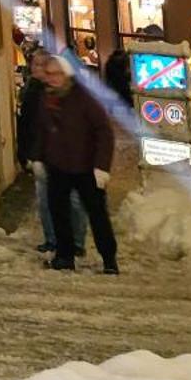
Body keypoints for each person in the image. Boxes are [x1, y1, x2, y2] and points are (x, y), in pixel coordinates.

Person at [32, 51, 119, 274]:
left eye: (56, 74)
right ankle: (65, 255)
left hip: (86, 167)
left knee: (97, 214)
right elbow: (42, 130)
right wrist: (39, 157)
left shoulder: (84, 99)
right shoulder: (47, 98)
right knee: (59, 211)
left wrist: (102, 166)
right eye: (49, 74)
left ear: (66, 75)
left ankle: (109, 258)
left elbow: (104, 132)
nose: (51, 78)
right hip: (58, 165)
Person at [16, 48, 87, 254]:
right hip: (41, 154)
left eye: (42, 65)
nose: (37, 69)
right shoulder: (31, 90)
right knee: (46, 201)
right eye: (35, 64)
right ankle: (53, 239)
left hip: (66, 155)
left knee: (72, 200)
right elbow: (28, 126)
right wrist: (27, 154)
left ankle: (76, 242)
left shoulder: (58, 92)